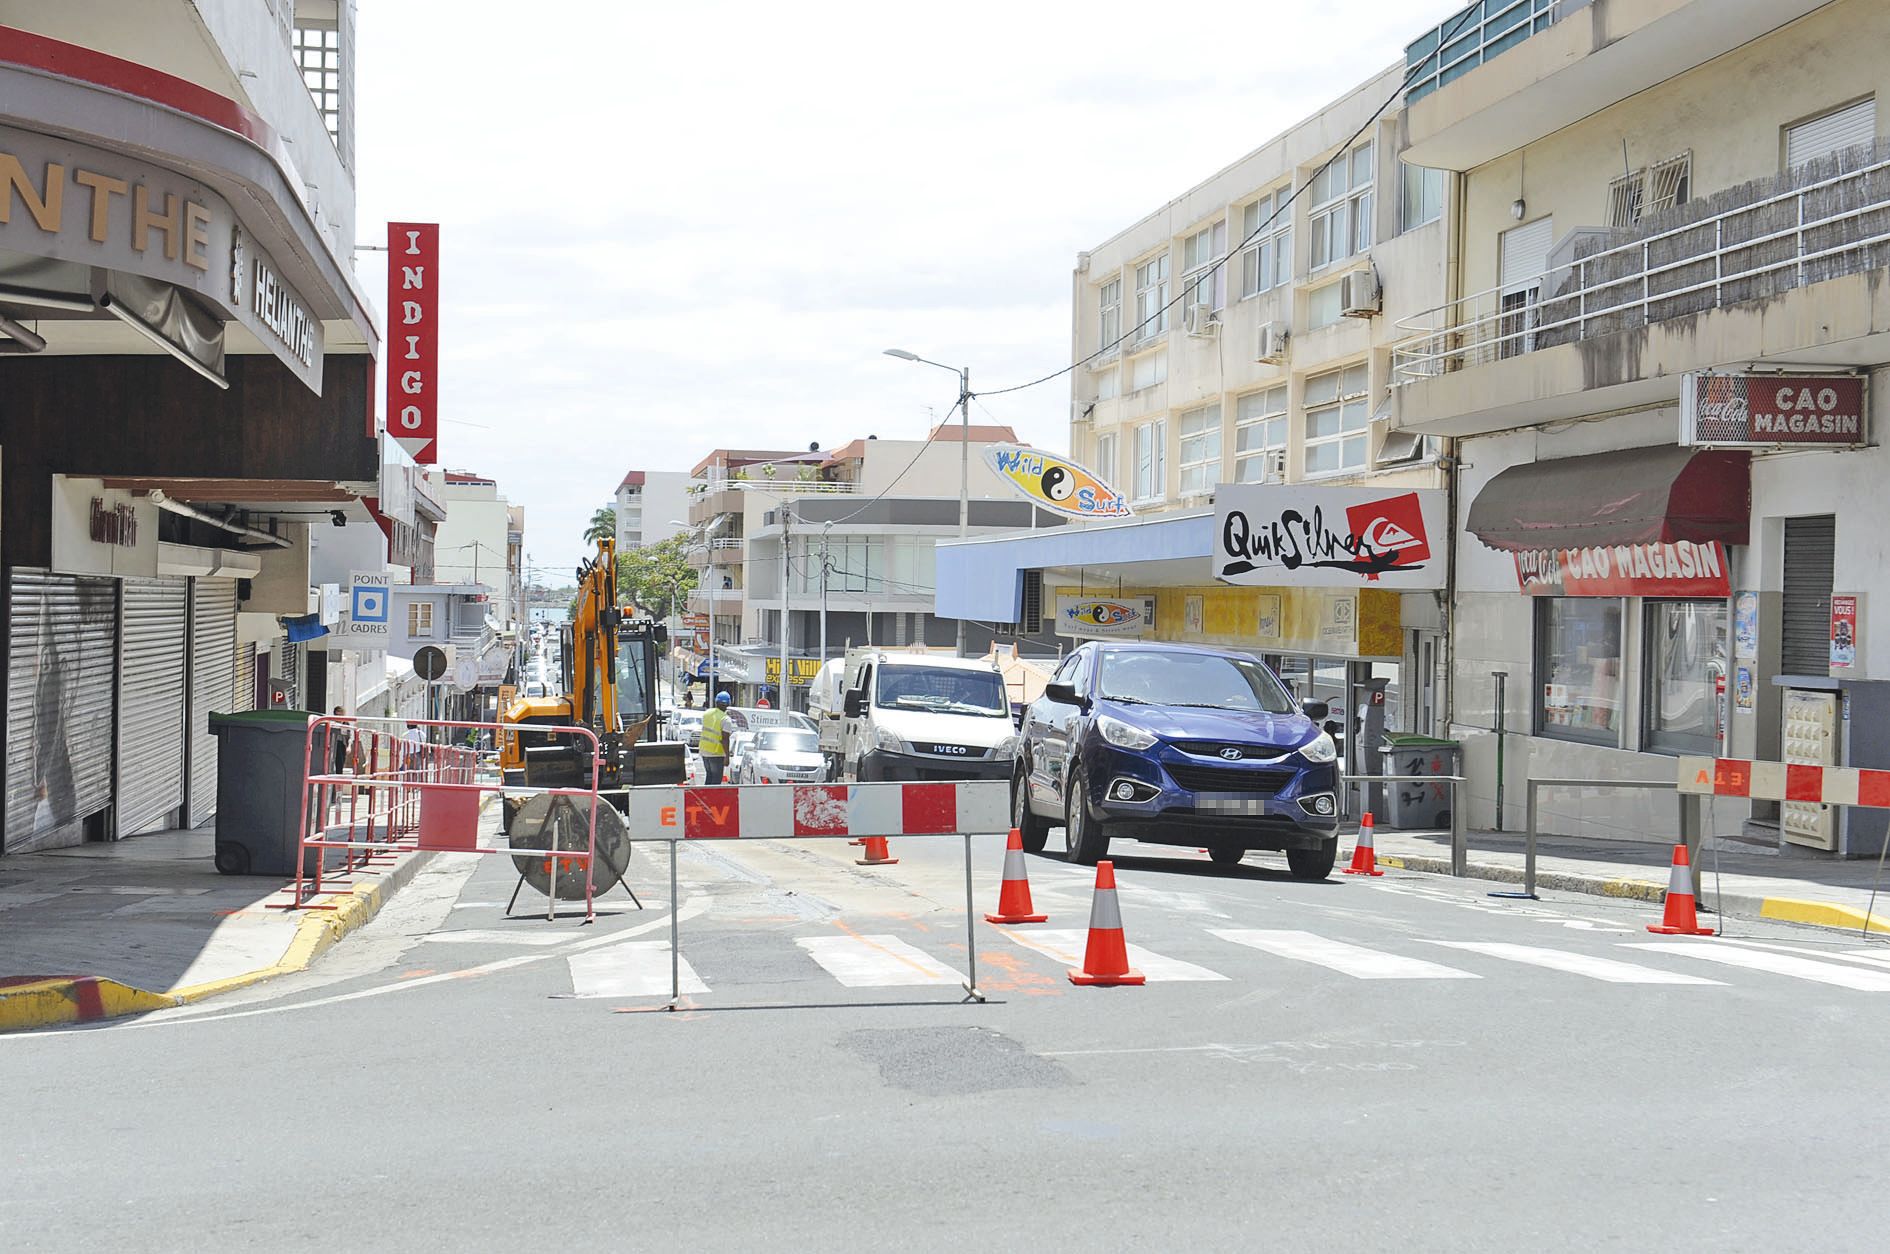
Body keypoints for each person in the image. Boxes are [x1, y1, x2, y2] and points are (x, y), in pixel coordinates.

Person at [699, 691, 733, 786]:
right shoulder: (726, 719)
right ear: (728, 703)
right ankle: (711, 800)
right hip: (716, 753)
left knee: (709, 777)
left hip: (704, 750)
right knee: (716, 780)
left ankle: (705, 798)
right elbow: (725, 739)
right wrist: (727, 756)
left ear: (716, 702)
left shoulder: (707, 713)